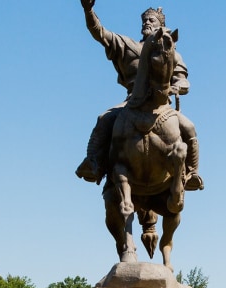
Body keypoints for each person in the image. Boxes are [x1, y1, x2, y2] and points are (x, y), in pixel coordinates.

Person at [75, 0, 203, 191]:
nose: (146, 23)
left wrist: (178, 87)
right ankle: (93, 163)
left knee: (189, 128)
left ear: (160, 26)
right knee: (104, 119)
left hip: (163, 104)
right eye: (144, 20)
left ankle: (191, 172)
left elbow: (183, 79)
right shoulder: (127, 45)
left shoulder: (169, 49)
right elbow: (99, 32)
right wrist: (88, 10)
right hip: (132, 100)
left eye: (151, 20)